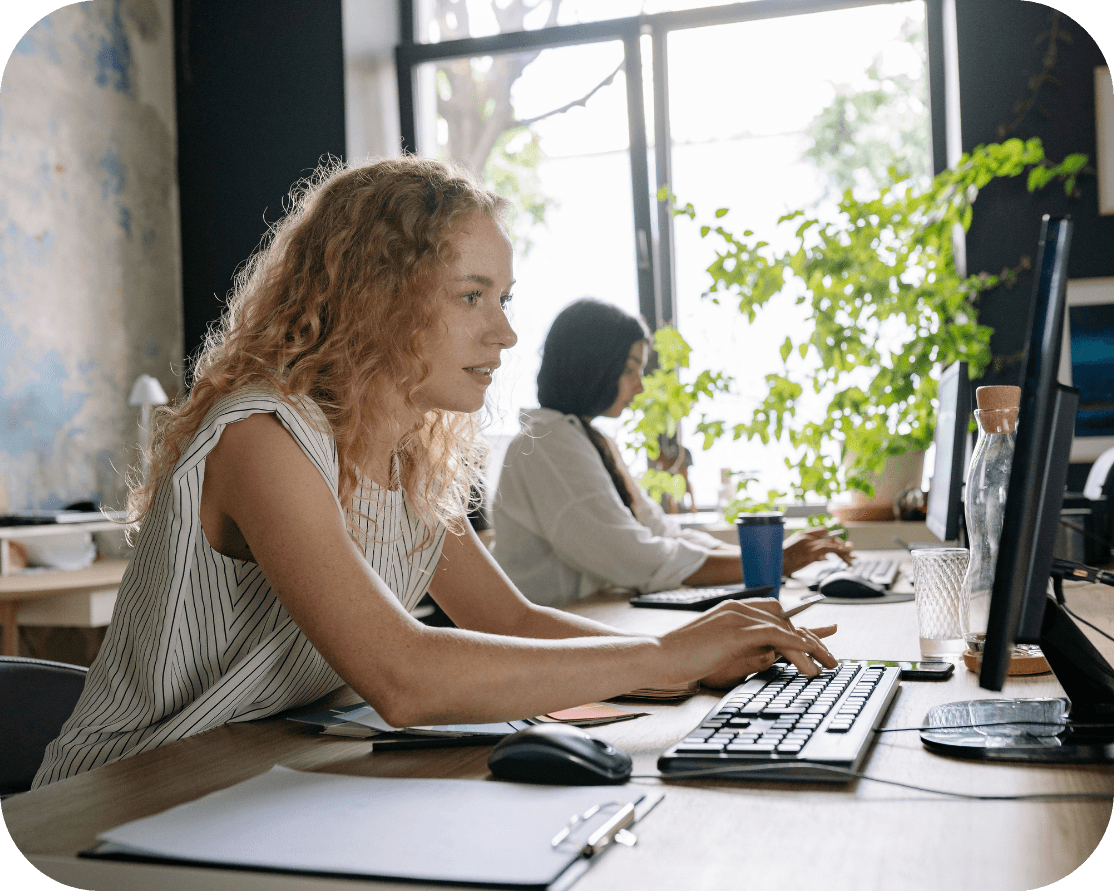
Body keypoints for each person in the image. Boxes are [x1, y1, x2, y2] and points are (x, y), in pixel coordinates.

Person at [34, 157, 837, 787]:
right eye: (472, 296)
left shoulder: (412, 453)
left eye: (506, 296)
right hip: (121, 791)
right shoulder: (262, 437)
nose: (506, 334)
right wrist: (663, 659)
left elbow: (513, 622)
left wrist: (688, 656)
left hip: (255, 770)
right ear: (376, 296)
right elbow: (403, 674)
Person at [491, 298, 853, 607]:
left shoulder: (587, 439)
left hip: (593, 617)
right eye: (631, 368)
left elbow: (659, 530)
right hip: (556, 637)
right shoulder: (546, 445)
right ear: (594, 365)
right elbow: (634, 558)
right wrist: (774, 562)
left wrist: (769, 561)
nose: (640, 384)